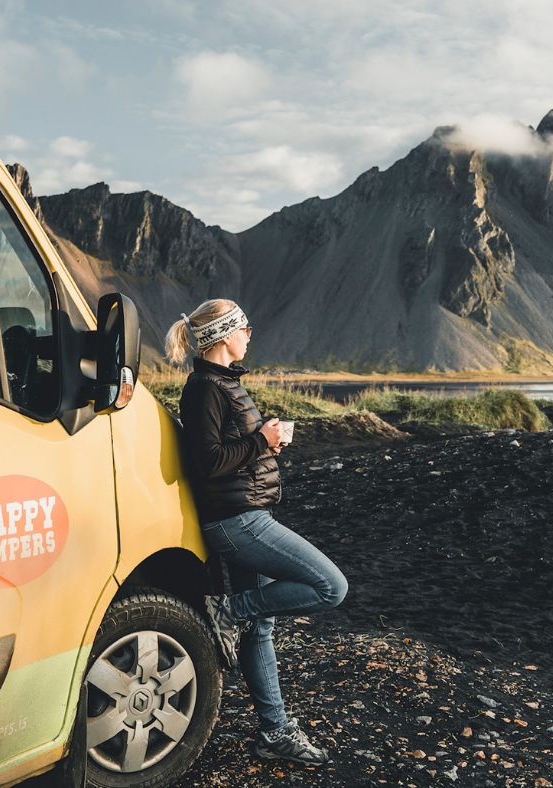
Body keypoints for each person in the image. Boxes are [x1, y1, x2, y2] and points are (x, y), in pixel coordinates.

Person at [164, 298, 348, 766]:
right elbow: (207, 464)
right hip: (238, 523)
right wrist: (260, 441)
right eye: (245, 326)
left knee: (260, 625)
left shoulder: (223, 384)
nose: (251, 333)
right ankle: (227, 609)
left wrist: (269, 445)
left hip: (249, 515)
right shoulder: (206, 388)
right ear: (224, 335)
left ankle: (274, 731)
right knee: (330, 586)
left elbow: (231, 454)